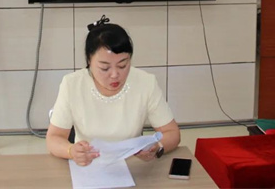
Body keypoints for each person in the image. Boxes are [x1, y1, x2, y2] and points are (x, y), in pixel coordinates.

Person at [46, 15, 180, 166]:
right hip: (87, 166)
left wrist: (158, 147)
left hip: (132, 166)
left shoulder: (145, 83)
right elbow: (54, 138)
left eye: (123, 65)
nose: (115, 74)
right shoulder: (72, 84)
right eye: (105, 68)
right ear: (89, 61)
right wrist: (71, 151)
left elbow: (172, 133)